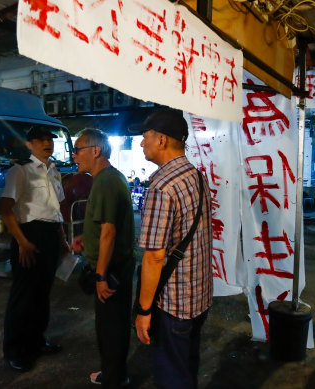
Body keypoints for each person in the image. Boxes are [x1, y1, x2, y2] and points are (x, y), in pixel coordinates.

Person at [133, 108, 213, 389]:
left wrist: (143, 311)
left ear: (162, 140)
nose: (142, 143)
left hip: (174, 303)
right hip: (199, 296)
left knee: (171, 377)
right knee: (187, 367)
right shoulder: (196, 176)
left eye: (145, 137)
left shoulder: (161, 186)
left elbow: (154, 257)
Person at [0, 126, 69, 372]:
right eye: (40, 139)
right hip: (28, 234)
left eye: (49, 138)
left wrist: (62, 240)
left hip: (50, 234)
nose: (47, 142)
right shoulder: (20, 171)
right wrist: (22, 242)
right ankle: (14, 350)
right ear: (29, 144)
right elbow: (6, 210)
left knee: (42, 293)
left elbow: (55, 210)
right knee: (23, 295)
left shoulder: (54, 171)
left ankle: (37, 341)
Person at [70, 128, 135, 388]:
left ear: (95, 151)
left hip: (111, 268)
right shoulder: (109, 178)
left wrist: (100, 275)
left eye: (78, 150)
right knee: (113, 323)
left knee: (110, 327)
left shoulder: (106, 181)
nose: (74, 156)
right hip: (117, 263)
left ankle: (114, 377)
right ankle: (114, 373)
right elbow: (105, 228)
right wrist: (87, 238)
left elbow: (109, 232)